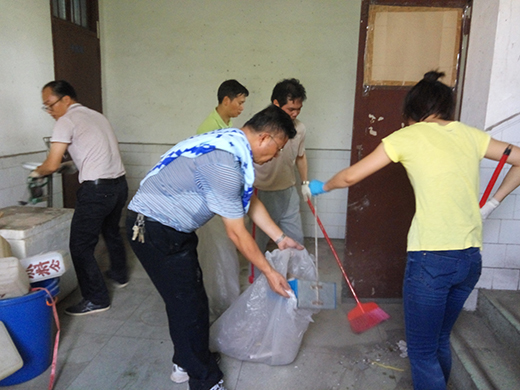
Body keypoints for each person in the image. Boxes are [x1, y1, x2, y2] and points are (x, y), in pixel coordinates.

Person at [309, 71, 520, 390]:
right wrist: (489, 205)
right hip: (469, 261)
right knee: (439, 342)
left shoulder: (407, 136)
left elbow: (351, 177)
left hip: (431, 261)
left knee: (421, 352)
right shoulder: (470, 135)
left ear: (413, 112)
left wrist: (321, 187)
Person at [126, 105, 303, 390]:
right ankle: (204, 380)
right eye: (279, 148)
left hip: (166, 227)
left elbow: (248, 201)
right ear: (265, 138)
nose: (277, 155)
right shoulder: (224, 164)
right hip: (155, 229)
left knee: (183, 300)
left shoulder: (229, 143)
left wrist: (280, 238)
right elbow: (236, 232)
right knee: (191, 306)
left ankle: (185, 359)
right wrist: (269, 272)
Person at [33, 80, 128, 316]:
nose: (50, 111)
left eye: (50, 105)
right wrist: (70, 165)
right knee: (111, 230)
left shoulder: (66, 120)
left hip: (97, 192)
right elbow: (94, 153)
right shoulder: (97, 116)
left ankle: (96, 298)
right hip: (119, 185)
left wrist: (38, 171)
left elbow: (51, 163)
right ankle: (119, 274)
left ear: (66, 99)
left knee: (80, 246)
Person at [195, 79, 249, 328]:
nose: (241, 108)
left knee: (225, 252)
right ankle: (222, 304)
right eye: (239, 102)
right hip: (214, 202)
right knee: (218, 254)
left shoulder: (225, 125)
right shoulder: (211, 129)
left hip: (223, 199)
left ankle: (225, 299)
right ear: (225, 100)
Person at [253, 78, 311, 253]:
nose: (295, 114)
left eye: (298, 109)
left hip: (288, 191)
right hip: (261, 192)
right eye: (290, 109)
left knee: (296, 240)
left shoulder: (299, 129)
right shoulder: (259, 127)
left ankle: (293, 279)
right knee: (258, 243)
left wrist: (305, 183)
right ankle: (257, 278)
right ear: (276, 104)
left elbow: (301, 156)